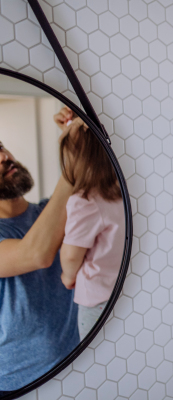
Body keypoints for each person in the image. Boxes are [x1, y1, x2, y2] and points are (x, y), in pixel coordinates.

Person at [0, 108, 79, 393]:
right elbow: (36, 254)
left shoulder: (49, 213)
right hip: (20, 386)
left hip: (80, 365)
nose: (3, 157)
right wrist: (72, 164)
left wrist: (73, 140)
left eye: (0, 147)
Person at [58, 113, 125, 340]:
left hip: (95, 300)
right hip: (123, 291)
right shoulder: (120, 193)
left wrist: (68, 276)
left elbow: (70, 254)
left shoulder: (85, 201)